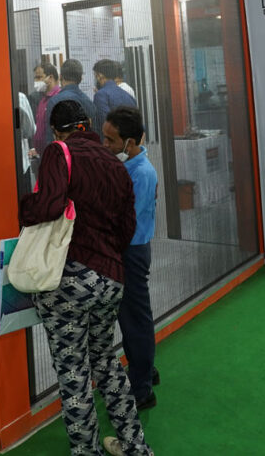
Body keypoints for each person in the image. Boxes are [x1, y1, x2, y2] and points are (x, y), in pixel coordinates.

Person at [21, 100, 151, 456]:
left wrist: (23, 207)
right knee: (107, 362)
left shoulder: (59, 152)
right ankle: (136, 447)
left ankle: (86, 451)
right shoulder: (116, 164)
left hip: (69, 281)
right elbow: (127, 229)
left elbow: (48, 206)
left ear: (56, 131)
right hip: (110, 279)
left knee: (74, 373)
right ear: (89, 125)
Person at [102, 105, 159, 411]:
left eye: (110, 140)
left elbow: (126, 222)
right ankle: (145, 370)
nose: (106, 144)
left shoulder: (142, 174)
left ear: (130, 142)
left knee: (135, 320)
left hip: (131, 253)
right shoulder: (128, 167)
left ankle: (141, 390)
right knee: (134, 317)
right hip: (128, 249)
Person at [92, 59, 136, 130]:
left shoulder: (100, 95)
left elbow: (106, 124)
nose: (96, 78)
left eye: (95, 75)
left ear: (100, 75)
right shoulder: (128, 96)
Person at [52, 59, 97, 127]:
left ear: (60, 76)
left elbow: (50, 131)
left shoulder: (54, 101)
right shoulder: (89, 103)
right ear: (81, 78)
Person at [31, 61, 60, 156]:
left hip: (54, 152)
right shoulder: (43, 99)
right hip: (42, 153)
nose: (36, 81)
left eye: (39, 77)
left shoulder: (58, 98)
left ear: (50, 78)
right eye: (35, 78)